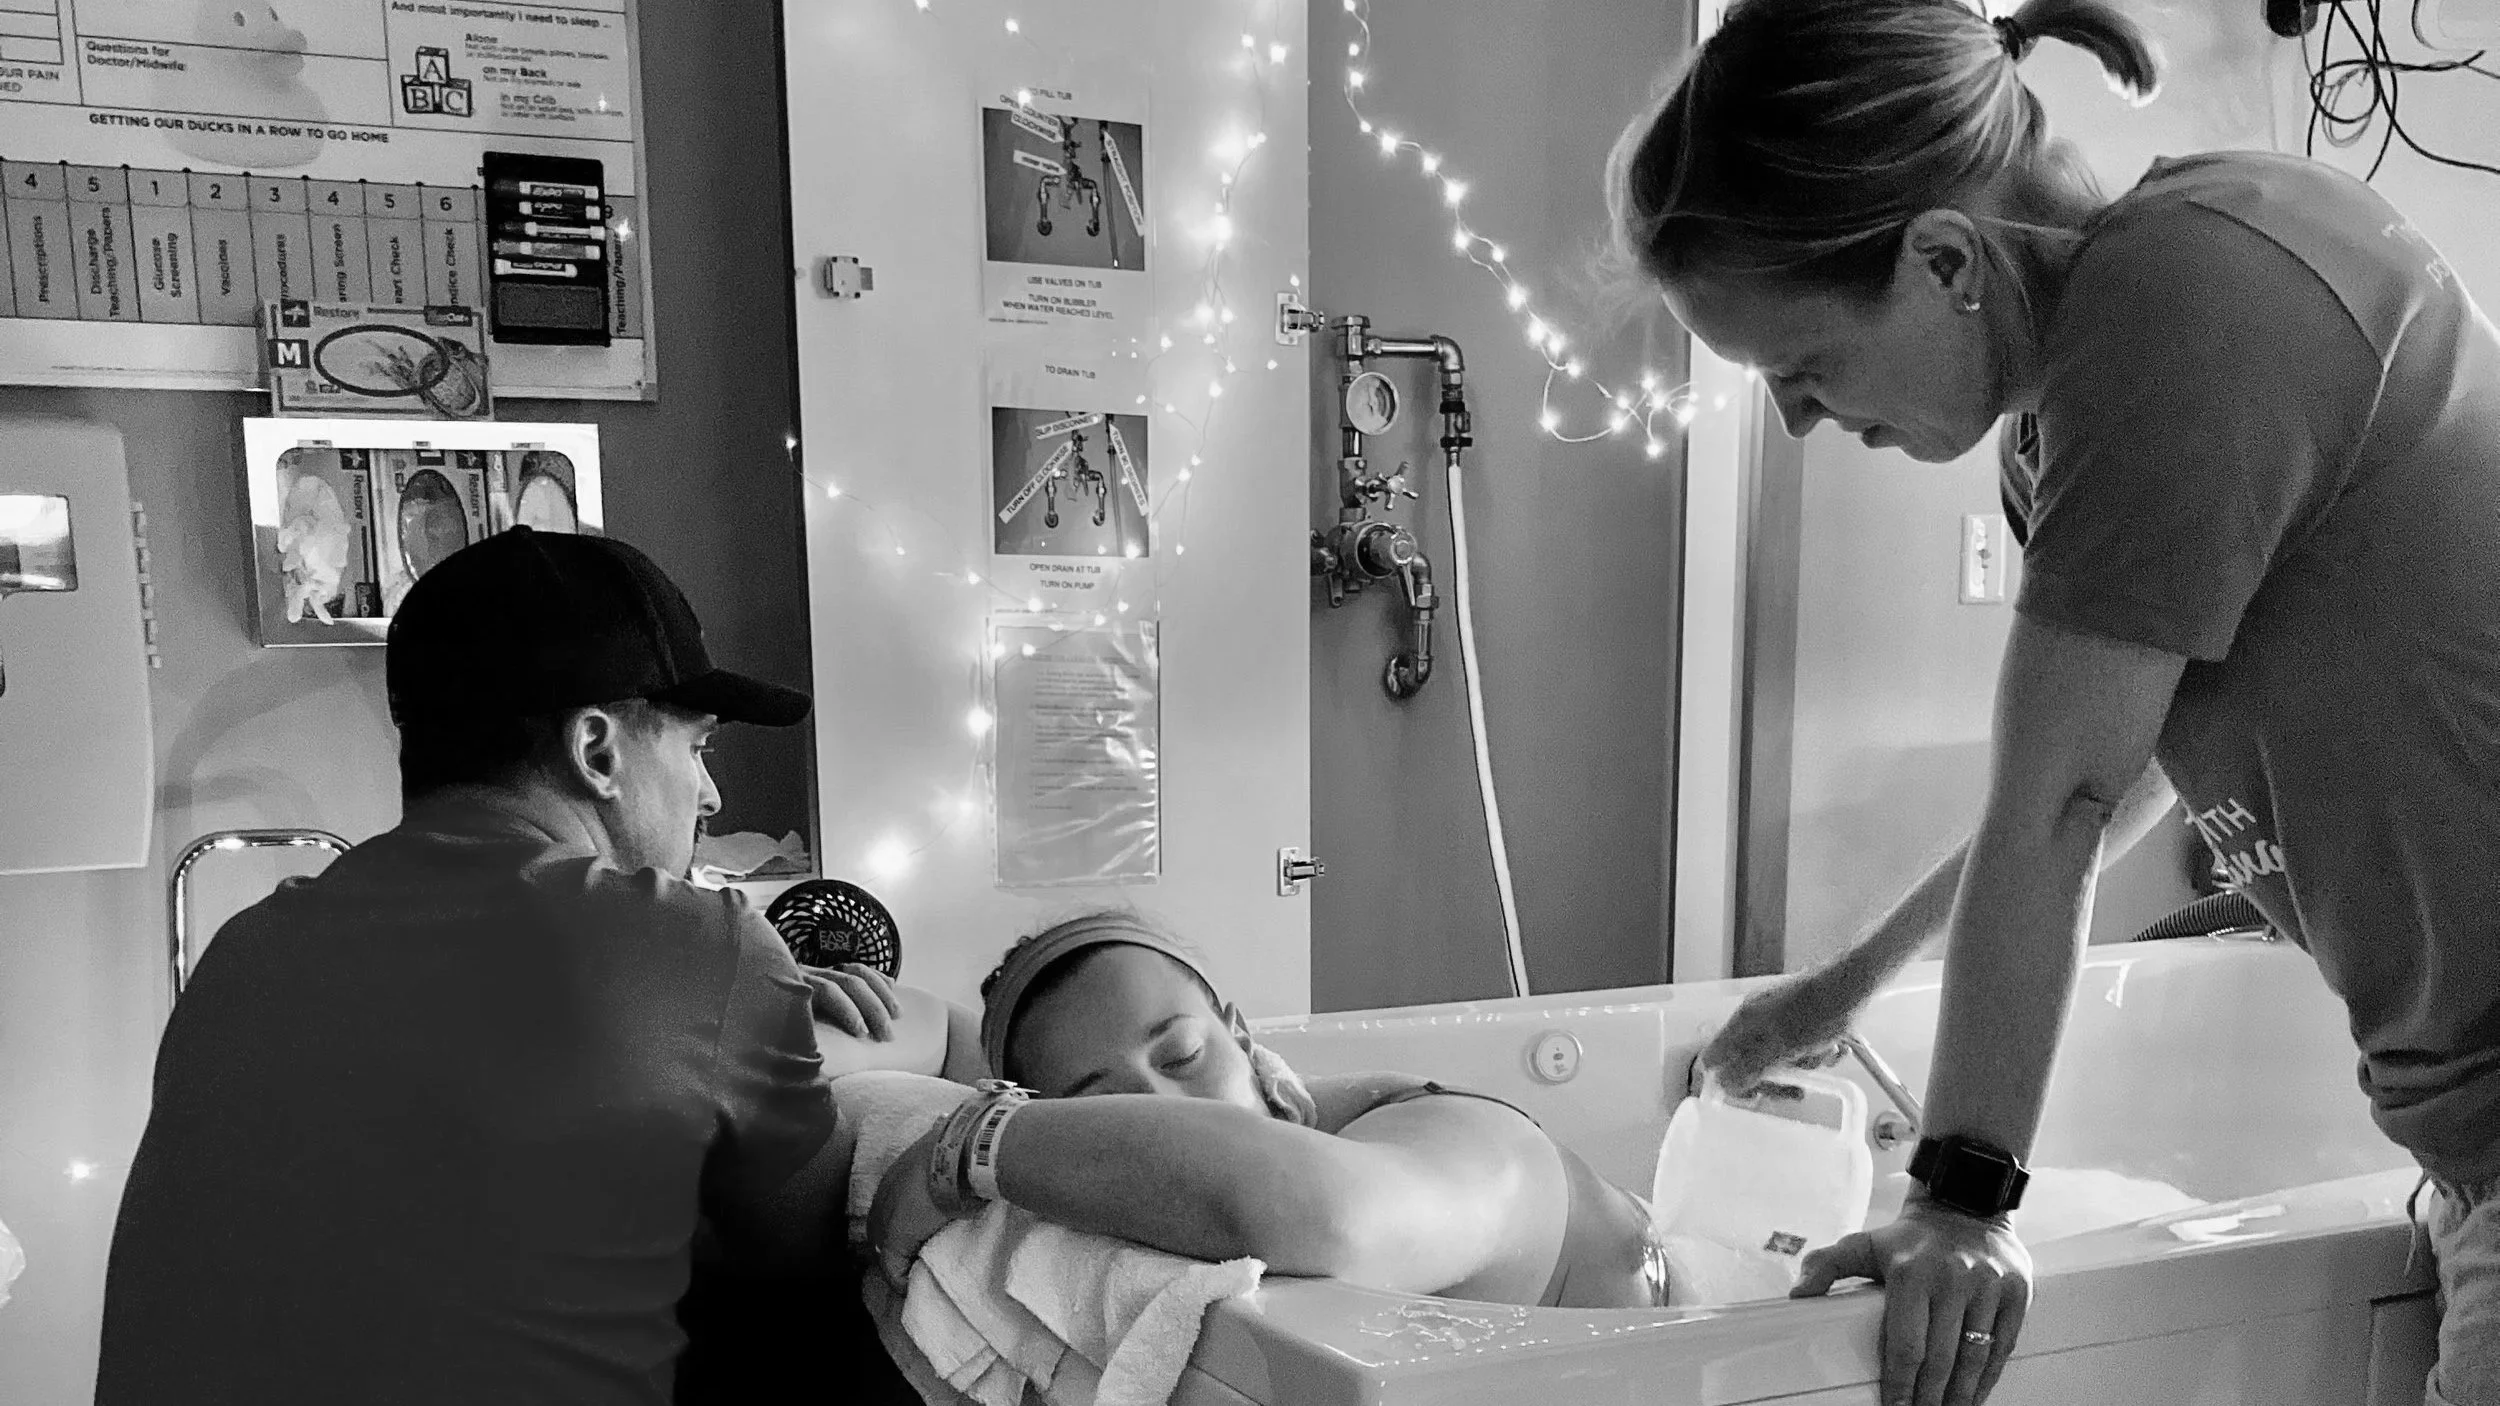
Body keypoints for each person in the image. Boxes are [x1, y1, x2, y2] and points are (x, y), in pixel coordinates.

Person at [1606, 0, 2500, 1403]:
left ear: (1945, 258)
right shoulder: (2069, 405)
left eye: (1803, 366)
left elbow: (2063, 798)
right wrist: (1851, 982)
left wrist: (1960, 1197)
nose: (1793, 419)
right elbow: (2114, 764)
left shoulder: (2191, 301)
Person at [96, 528, 911, 1405]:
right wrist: (764, 1012)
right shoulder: (703, 941)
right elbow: (803, 1245)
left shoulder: (244, 946)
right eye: (698, 747)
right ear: (597, 752)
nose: (709, 795)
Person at [862, 912, 1672, 1309]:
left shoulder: (1454, 1138)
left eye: (1182, 1057)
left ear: (1243, 1038)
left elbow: (1329, 1216)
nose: (1167, 1107)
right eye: (1104, 1109)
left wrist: (971, 1146)